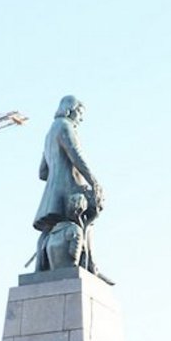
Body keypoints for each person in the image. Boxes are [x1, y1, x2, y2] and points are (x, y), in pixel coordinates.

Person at [33, 96, 104, 276]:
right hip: (68, 188)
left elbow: (42, 172)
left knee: (49, 230)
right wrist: (92, 180)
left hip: (51, 193)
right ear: (70, 109)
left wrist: (56, 168)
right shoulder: (65, 126)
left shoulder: (50, 133)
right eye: (80, 112)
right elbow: (76, 155)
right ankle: (91, 265)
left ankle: (41, 267)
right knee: (88, 219)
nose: (81, 118)